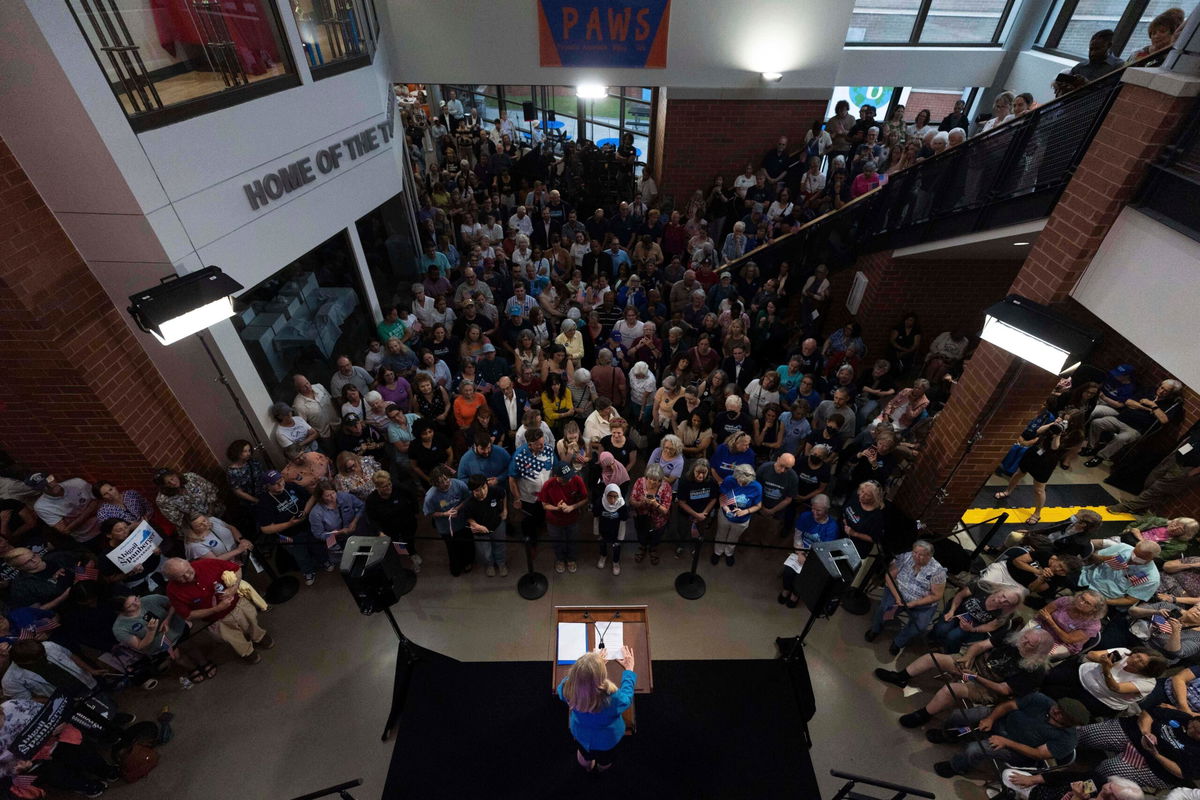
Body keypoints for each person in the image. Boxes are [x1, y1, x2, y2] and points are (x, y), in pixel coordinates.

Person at [879, 627, 1056, 728]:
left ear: (1038, 651)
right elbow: (980, 646)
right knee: (931, 658)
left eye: (1029, 643)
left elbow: (1003, 689)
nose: (1023, 642)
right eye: (1025, 637)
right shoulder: (1012, 636)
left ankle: (924, 715)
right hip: (973, 666)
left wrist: (975, 677)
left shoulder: (1036, 671)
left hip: (987, 686)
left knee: (952, 690)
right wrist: (967, 658)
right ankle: (901, 677)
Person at [930, 693, 1088, 778]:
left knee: (974, 749)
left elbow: (1038, 754)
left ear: (1070, 722)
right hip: (1001, 721)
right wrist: (991, 718)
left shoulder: (1068, 739)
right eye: (1058, 706)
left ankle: (957, 766)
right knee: (960, 715)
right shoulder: (1041, 700)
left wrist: (1006, 742)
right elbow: (1009, 705)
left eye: (1061, 713)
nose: (1055, 710)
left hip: (1017, 749)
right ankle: (949, 735)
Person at [163, 557, 273, 664]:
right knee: (233, 638)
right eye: (181, 577)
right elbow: (188, 615)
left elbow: (236, 569)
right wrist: (216, 609)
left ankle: (259, 637)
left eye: (188, 570)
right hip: (216, 620)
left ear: (188, 563)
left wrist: (233, 588)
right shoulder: (172, 591)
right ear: (171, 579)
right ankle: (247, 652)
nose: (187, 576)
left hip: (238, 605)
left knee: (252, 621)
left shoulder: (207, 563)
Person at [1074, 706, 1200, 790]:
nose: (1191, 729)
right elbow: (1150, 712)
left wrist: (1157, 755)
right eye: (1194, 725)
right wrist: (1146, 733)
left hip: (1155, 765)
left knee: (1110, 771)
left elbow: (1182, 773)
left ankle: (1079, 790)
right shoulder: (1184, 718)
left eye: (1197, 733)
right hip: (1137, 733)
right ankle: (1062, 751)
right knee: (1087, 734)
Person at [557, 645, 637, 773]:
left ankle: (587, 768)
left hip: (581, 735)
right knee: (605, 761)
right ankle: (601, 769)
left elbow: (567, 684)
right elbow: (627, 698)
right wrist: (629, 671)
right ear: (601, 678)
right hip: (607, 740)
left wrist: (590, 667)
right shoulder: (613, 698)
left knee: (584, 756)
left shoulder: (567, 688)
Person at [866, 540, 947, 655]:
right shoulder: (905, 557)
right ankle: (876, 629)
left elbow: (937, 595)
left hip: (922, 603)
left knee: (920, 625)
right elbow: (889, 576)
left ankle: (898, 642)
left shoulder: (938, 572)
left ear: (929, 556)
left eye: (920, 555)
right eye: (915, 552)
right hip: (899, 593)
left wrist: (914, 603)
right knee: (886, 609)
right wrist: (897, 596)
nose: (916, 556)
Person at [1041, 647, 1168, 717]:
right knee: (1048, 679)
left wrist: (1107, 670)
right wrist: (1102, 659)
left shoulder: (1148, 683)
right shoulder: (1124, 653)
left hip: (1101, 699)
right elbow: (1091, 655)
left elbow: (1116, 688)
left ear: (1148, 670)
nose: (1135, 659)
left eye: (1141, 662)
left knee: (1057, 700)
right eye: (1138, 656)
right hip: (1083, 675)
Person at [255, 469, 329, 586]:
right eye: (275, 483)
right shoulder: (264, 502)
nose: (280, 485)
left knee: (317, 545)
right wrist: (289, 524)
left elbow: (312, 497)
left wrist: (305, 512)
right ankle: (308, 571)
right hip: (290, 534)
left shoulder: (291, 486)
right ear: (267, 486)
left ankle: (325, 560)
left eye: (281, 480)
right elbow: (266, 528)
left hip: (309, 526)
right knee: (300, 555)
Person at [779, 494, 838, 607]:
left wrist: (809, 559)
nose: (814, 513)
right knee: (788, 571)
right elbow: (797, 536)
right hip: (800, 549)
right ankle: (786, 589)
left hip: (816, 557)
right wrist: (800, 553)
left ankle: (795, 595)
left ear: (826, 510)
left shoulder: (832, 527)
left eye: (818, 510)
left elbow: (825, 549)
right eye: (813, 509)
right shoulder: (805, 516)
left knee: (804, 576)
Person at [929, 586, 1024, 653]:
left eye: (1007, 602)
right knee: (941, 629)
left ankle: (948, 651)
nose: (1002, 601)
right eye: (1003, 596)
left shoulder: (1006, 613)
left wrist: (972, 629)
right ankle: (935, 640)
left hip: (974, 625)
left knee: (953, 636)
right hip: (957, 612)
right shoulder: (983, 588)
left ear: (1011, 605)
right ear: (1001, 589)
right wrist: (952, 611)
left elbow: (991, 627)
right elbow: (960, 595)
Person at [364, 470, 422, 572]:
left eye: (389, 484)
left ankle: (412, 553)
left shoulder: (399, 489)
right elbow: (372, 519)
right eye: (384, 486)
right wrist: (379, 532)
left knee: (409, 540)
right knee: (394, 544)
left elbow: (412, 497)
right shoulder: (371, 500)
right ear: (377, 487)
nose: (389, 487)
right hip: (388, 528)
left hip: (407, 522)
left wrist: (415, 512)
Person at [423, 466, 474, 576]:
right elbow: (429, 513)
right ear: (435, 483)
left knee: (467, 544)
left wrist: (458, 508)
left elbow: (468, 498)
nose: (445, 483)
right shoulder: (430, 496)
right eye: (440, 482)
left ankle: (468, 562)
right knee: (452, 549)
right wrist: (444, 514)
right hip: (446, 528)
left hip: (463, 522)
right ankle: (456, 566)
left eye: (446, 479)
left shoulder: (459, 485)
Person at [539, 462, 588, 574]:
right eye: (565, 478)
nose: (569, 480)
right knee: (557, 541)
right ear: (556, 476)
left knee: (572, 540)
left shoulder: (577, 479)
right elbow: (544, 504)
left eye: (569, 476)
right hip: (554, 521)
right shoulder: (548, 485)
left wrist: (572, 507)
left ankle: (571, 559)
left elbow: (585, 499)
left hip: (572, 519)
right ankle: (560, 559)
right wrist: (557, 508)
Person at [1080, 540, 1161, 607]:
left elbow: (1130, 600)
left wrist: (1104, 602)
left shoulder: (1152, 578)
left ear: (1153, 558)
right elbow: (1094, 557)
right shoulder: (1124, 548)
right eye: (1134, 552)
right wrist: (1105, 558)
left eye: (1140, 557)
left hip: (1103, 596)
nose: (1134, 557)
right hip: (1086, 578)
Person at [26, 472, 101, 544]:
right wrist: (90, 509)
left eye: (49, 480)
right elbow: (66, 530)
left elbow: (99, 499)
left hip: (106, 520)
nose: (50, 485)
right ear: (38, 490)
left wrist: (73, 521)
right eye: (43, 486)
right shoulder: (41, 506)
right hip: (88, 536)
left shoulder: (77, 483)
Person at [712, 463, 762, 567]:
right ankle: (717, 552)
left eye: (745, 483)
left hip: (742, 520)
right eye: (740, 481)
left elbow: (758, 505)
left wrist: (745, 511)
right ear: (736, 477)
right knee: (721, 533)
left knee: (734, 537)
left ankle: (728, 553)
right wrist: (726, 509)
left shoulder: (757, 487)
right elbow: (722, 496)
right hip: (725, 515)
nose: (742, 484)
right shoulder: (729, 480)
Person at [464, 474, 507, 577]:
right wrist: (476, 525)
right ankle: (490, 565)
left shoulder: (494, 491)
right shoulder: (469, 503)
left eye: (484, 488)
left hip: (497, 524)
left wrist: (505, 509)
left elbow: (504, 494)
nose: (482, 492)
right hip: (481, 532)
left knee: (500, 546)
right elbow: (468, 518)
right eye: (477, 490)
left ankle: (501, 564)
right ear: (472, 491)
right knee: (485, 551)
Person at [630, 464, 673, 566]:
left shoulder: (666, 487)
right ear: (646, 477)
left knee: (656, 536)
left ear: (661, 480)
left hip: (658, 520)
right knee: (641, 535)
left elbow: (666, 510)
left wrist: (655, 504)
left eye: (657, 480)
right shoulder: (640, 482)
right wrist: (641, 503)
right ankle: (643, 547)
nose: (653, 482)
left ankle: (653, 549)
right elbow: (632, 501)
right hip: (641, 517)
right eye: (650, 479)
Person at [182, 510, 251, 562]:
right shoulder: (194, 545)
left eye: (204, 520)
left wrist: (241, 540)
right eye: (199, 525)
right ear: (191, 530)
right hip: (227, 566)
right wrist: (238, 550)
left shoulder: (212, 520)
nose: (205, 524)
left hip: (240, 555)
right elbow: (215, 561)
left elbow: (231, 528)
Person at [594, 483, 631, 575]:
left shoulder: (622, 505)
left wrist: (620, 537)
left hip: (616, 531)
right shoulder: (600, 502)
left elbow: (623, 521)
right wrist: (596, 532)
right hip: (603, 530)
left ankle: (615, 562)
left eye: (615, 497)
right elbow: (596, 517)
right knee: (603, 544)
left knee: (617, 547)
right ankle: (603, 556)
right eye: (609, 496)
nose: (612, 500)